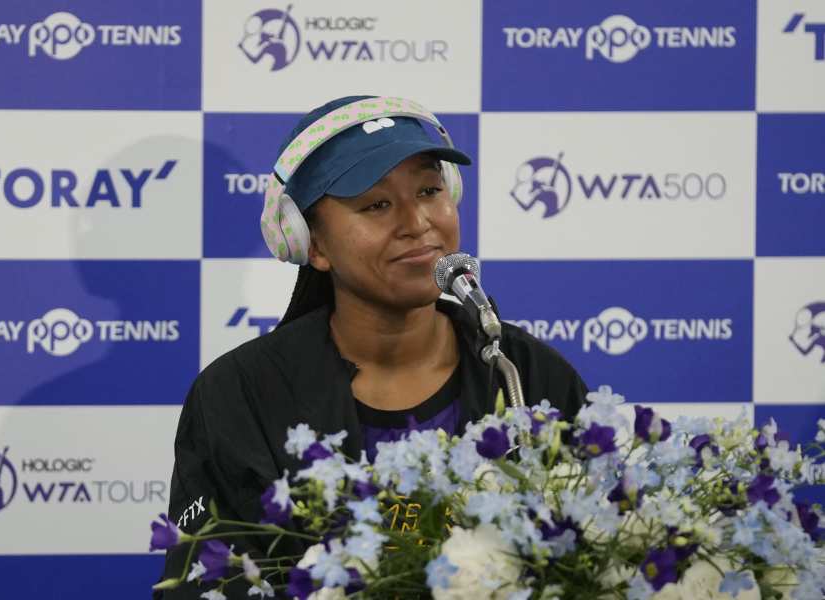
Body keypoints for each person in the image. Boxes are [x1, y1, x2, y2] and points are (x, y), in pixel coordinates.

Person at [154, 95, 588, 598]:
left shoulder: (523, 372)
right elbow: (204, 585)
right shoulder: (239, 396)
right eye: (377, 205)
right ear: (310, 243)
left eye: (429, 190)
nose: (418, 222)